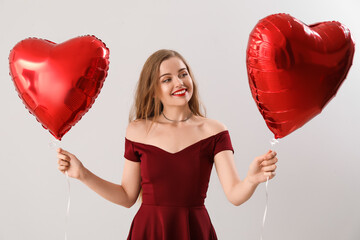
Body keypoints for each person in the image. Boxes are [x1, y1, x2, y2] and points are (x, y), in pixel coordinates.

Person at [56, 49, 278, 240]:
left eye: (183, 74)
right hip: (148, 230)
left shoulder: (214, 130)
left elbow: (234, 195)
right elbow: (126, 196)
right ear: (153, 89)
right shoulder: (138, 130)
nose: (179, 82)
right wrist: (82, 174)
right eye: (167, 79)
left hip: (194, 230)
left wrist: (251, 179)